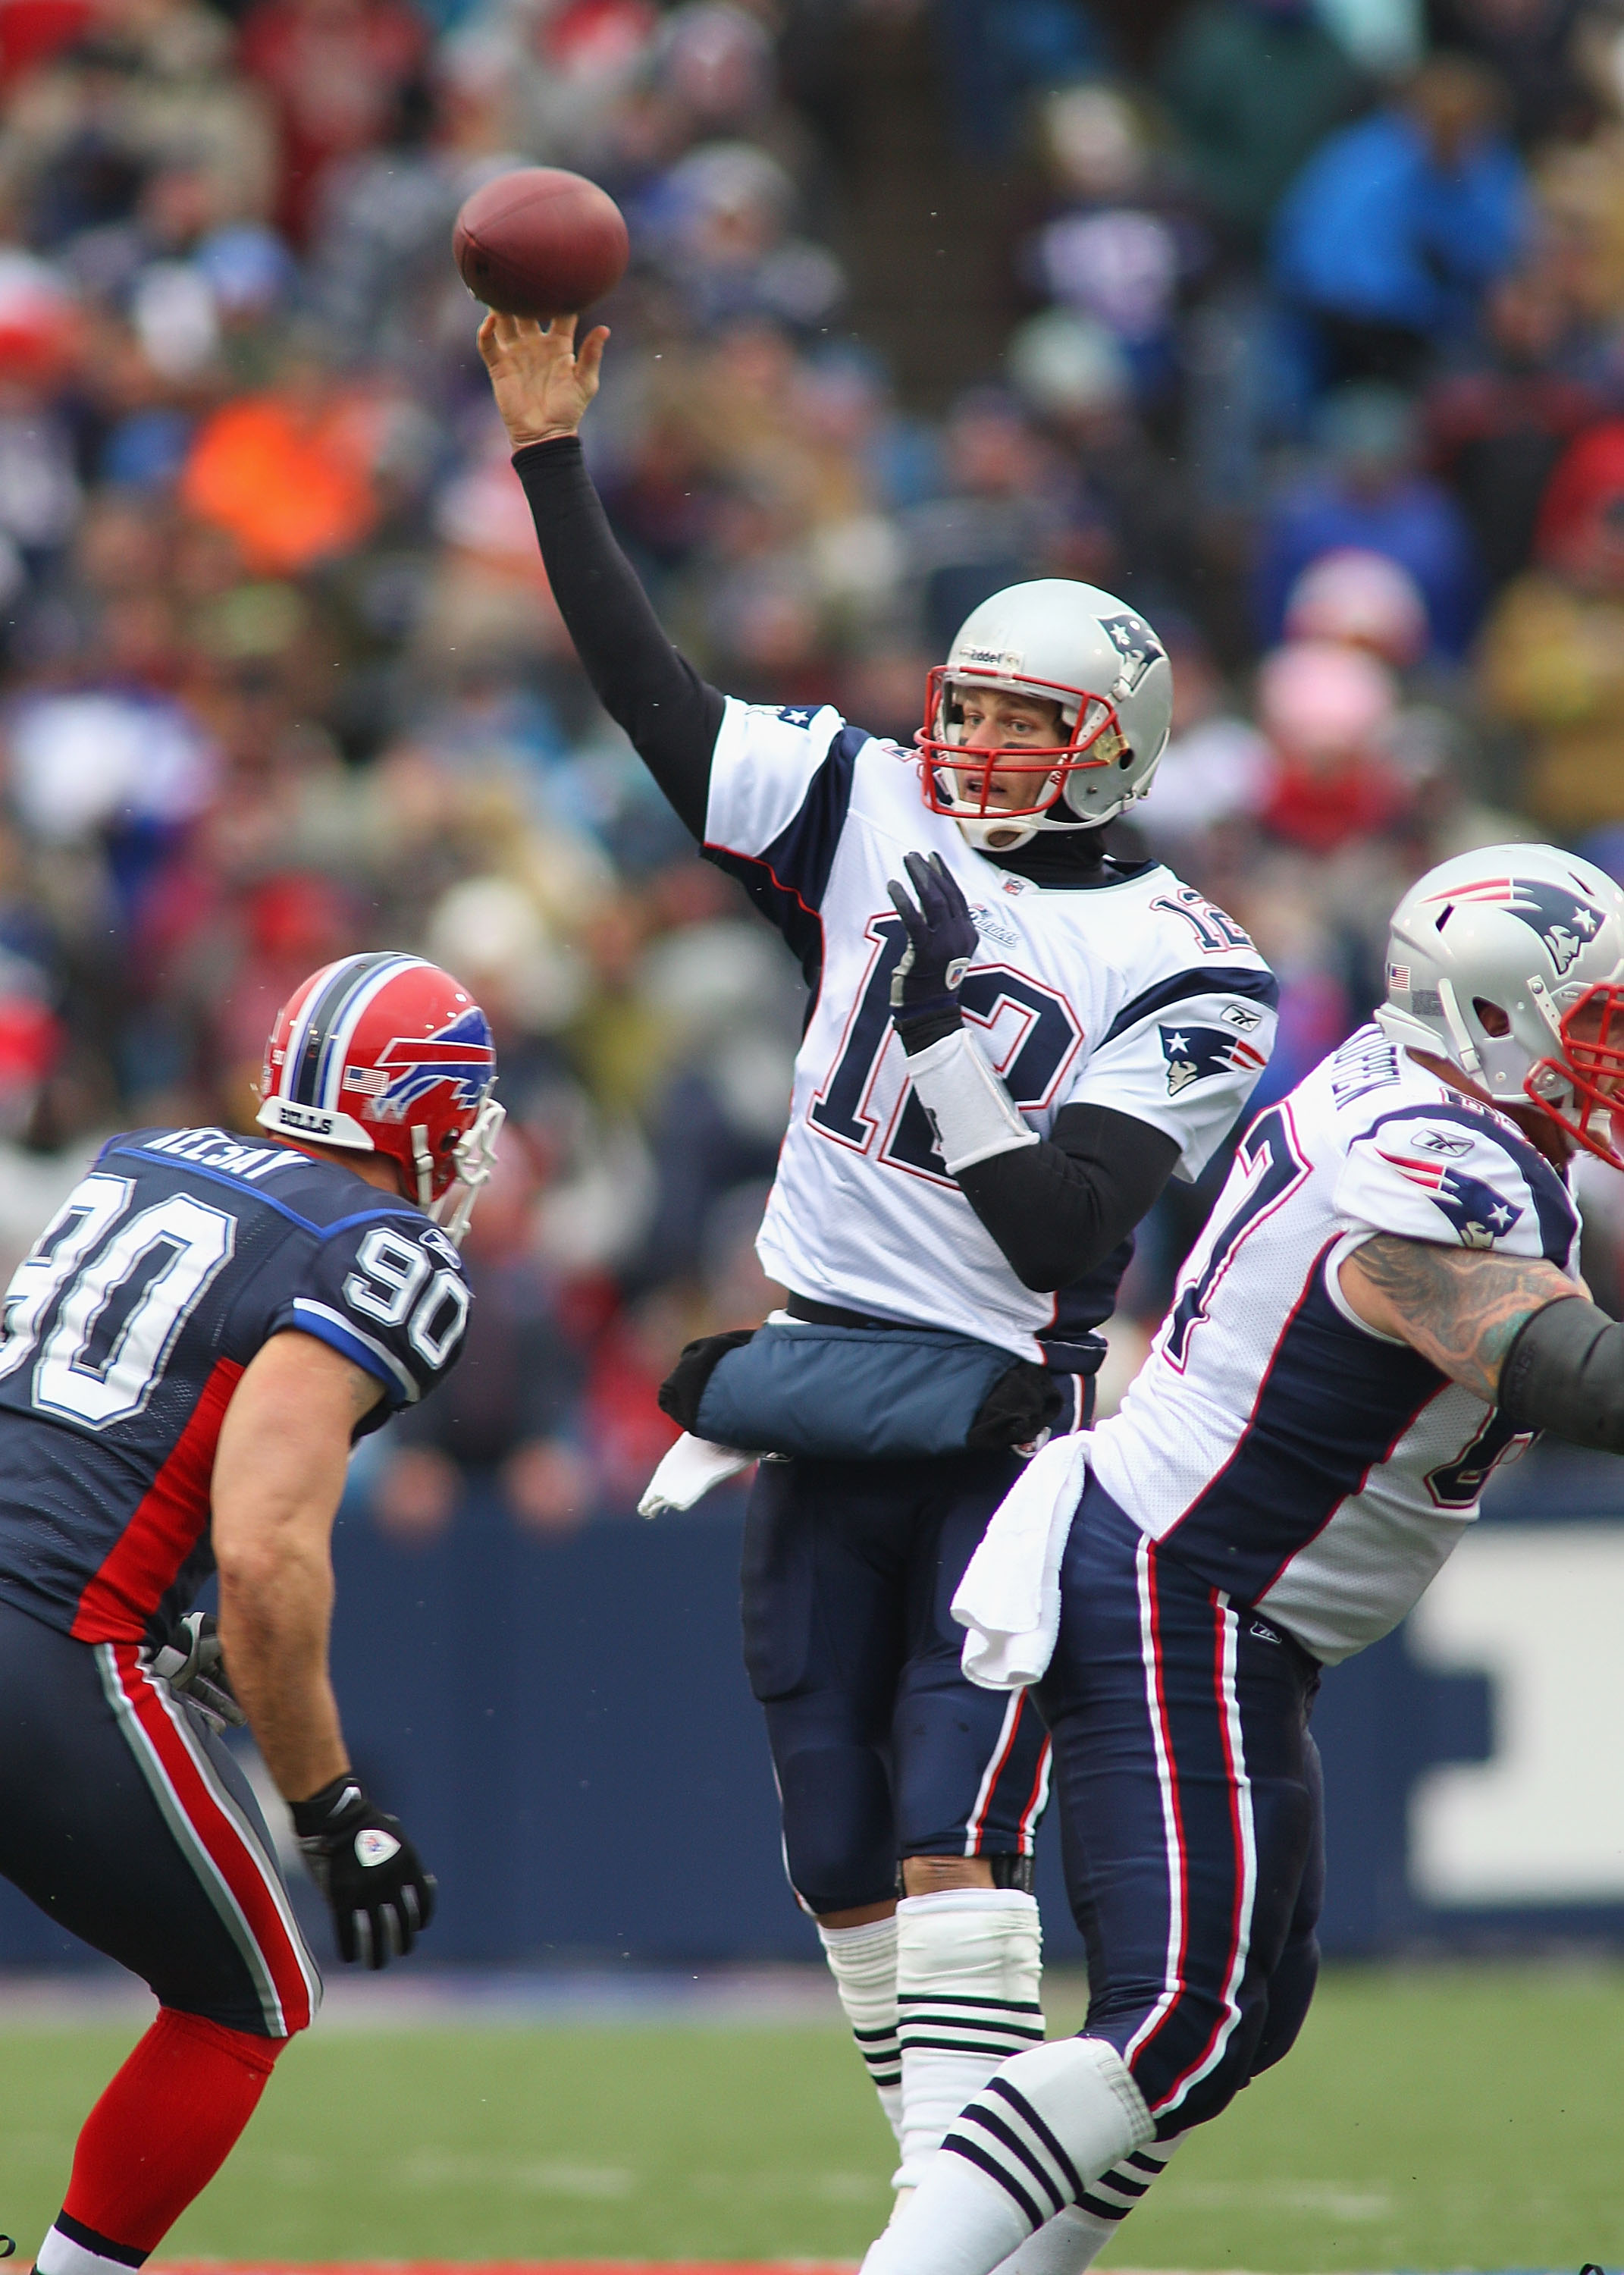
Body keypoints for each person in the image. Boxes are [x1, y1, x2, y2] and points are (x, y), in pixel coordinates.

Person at [479, 309, 1278, 2245]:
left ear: (1120, 749)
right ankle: (949, 2187)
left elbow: (1069, 1232)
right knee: (831, 1836)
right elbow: (654, 700)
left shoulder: (1196, 961)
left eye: (1029, 721)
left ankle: (943, 2212)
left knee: (952, 1817)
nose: (981, 745)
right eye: (972, 706)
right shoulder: (873, 806)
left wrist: (929, 1041)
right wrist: (552, 462)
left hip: (1004, 1419)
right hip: (821, 1381)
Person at [863, 842, 1624, 2275]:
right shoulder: (1435, 1164)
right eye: (1592, 1019)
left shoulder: (1405, 1101)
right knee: (1177, 2010)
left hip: (1219, 1603)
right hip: (1183, 1583)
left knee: (1244, 2013)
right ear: (1486, 1013)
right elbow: (1568, 1373)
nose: (1607, 1054)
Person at [0, 950, 503, 2275]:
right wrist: (331, 1804)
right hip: (47, 1636)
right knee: (252, 1991)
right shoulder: (378, 1248)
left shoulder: (140, 1158)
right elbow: (269, 1551)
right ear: (428, 1118)